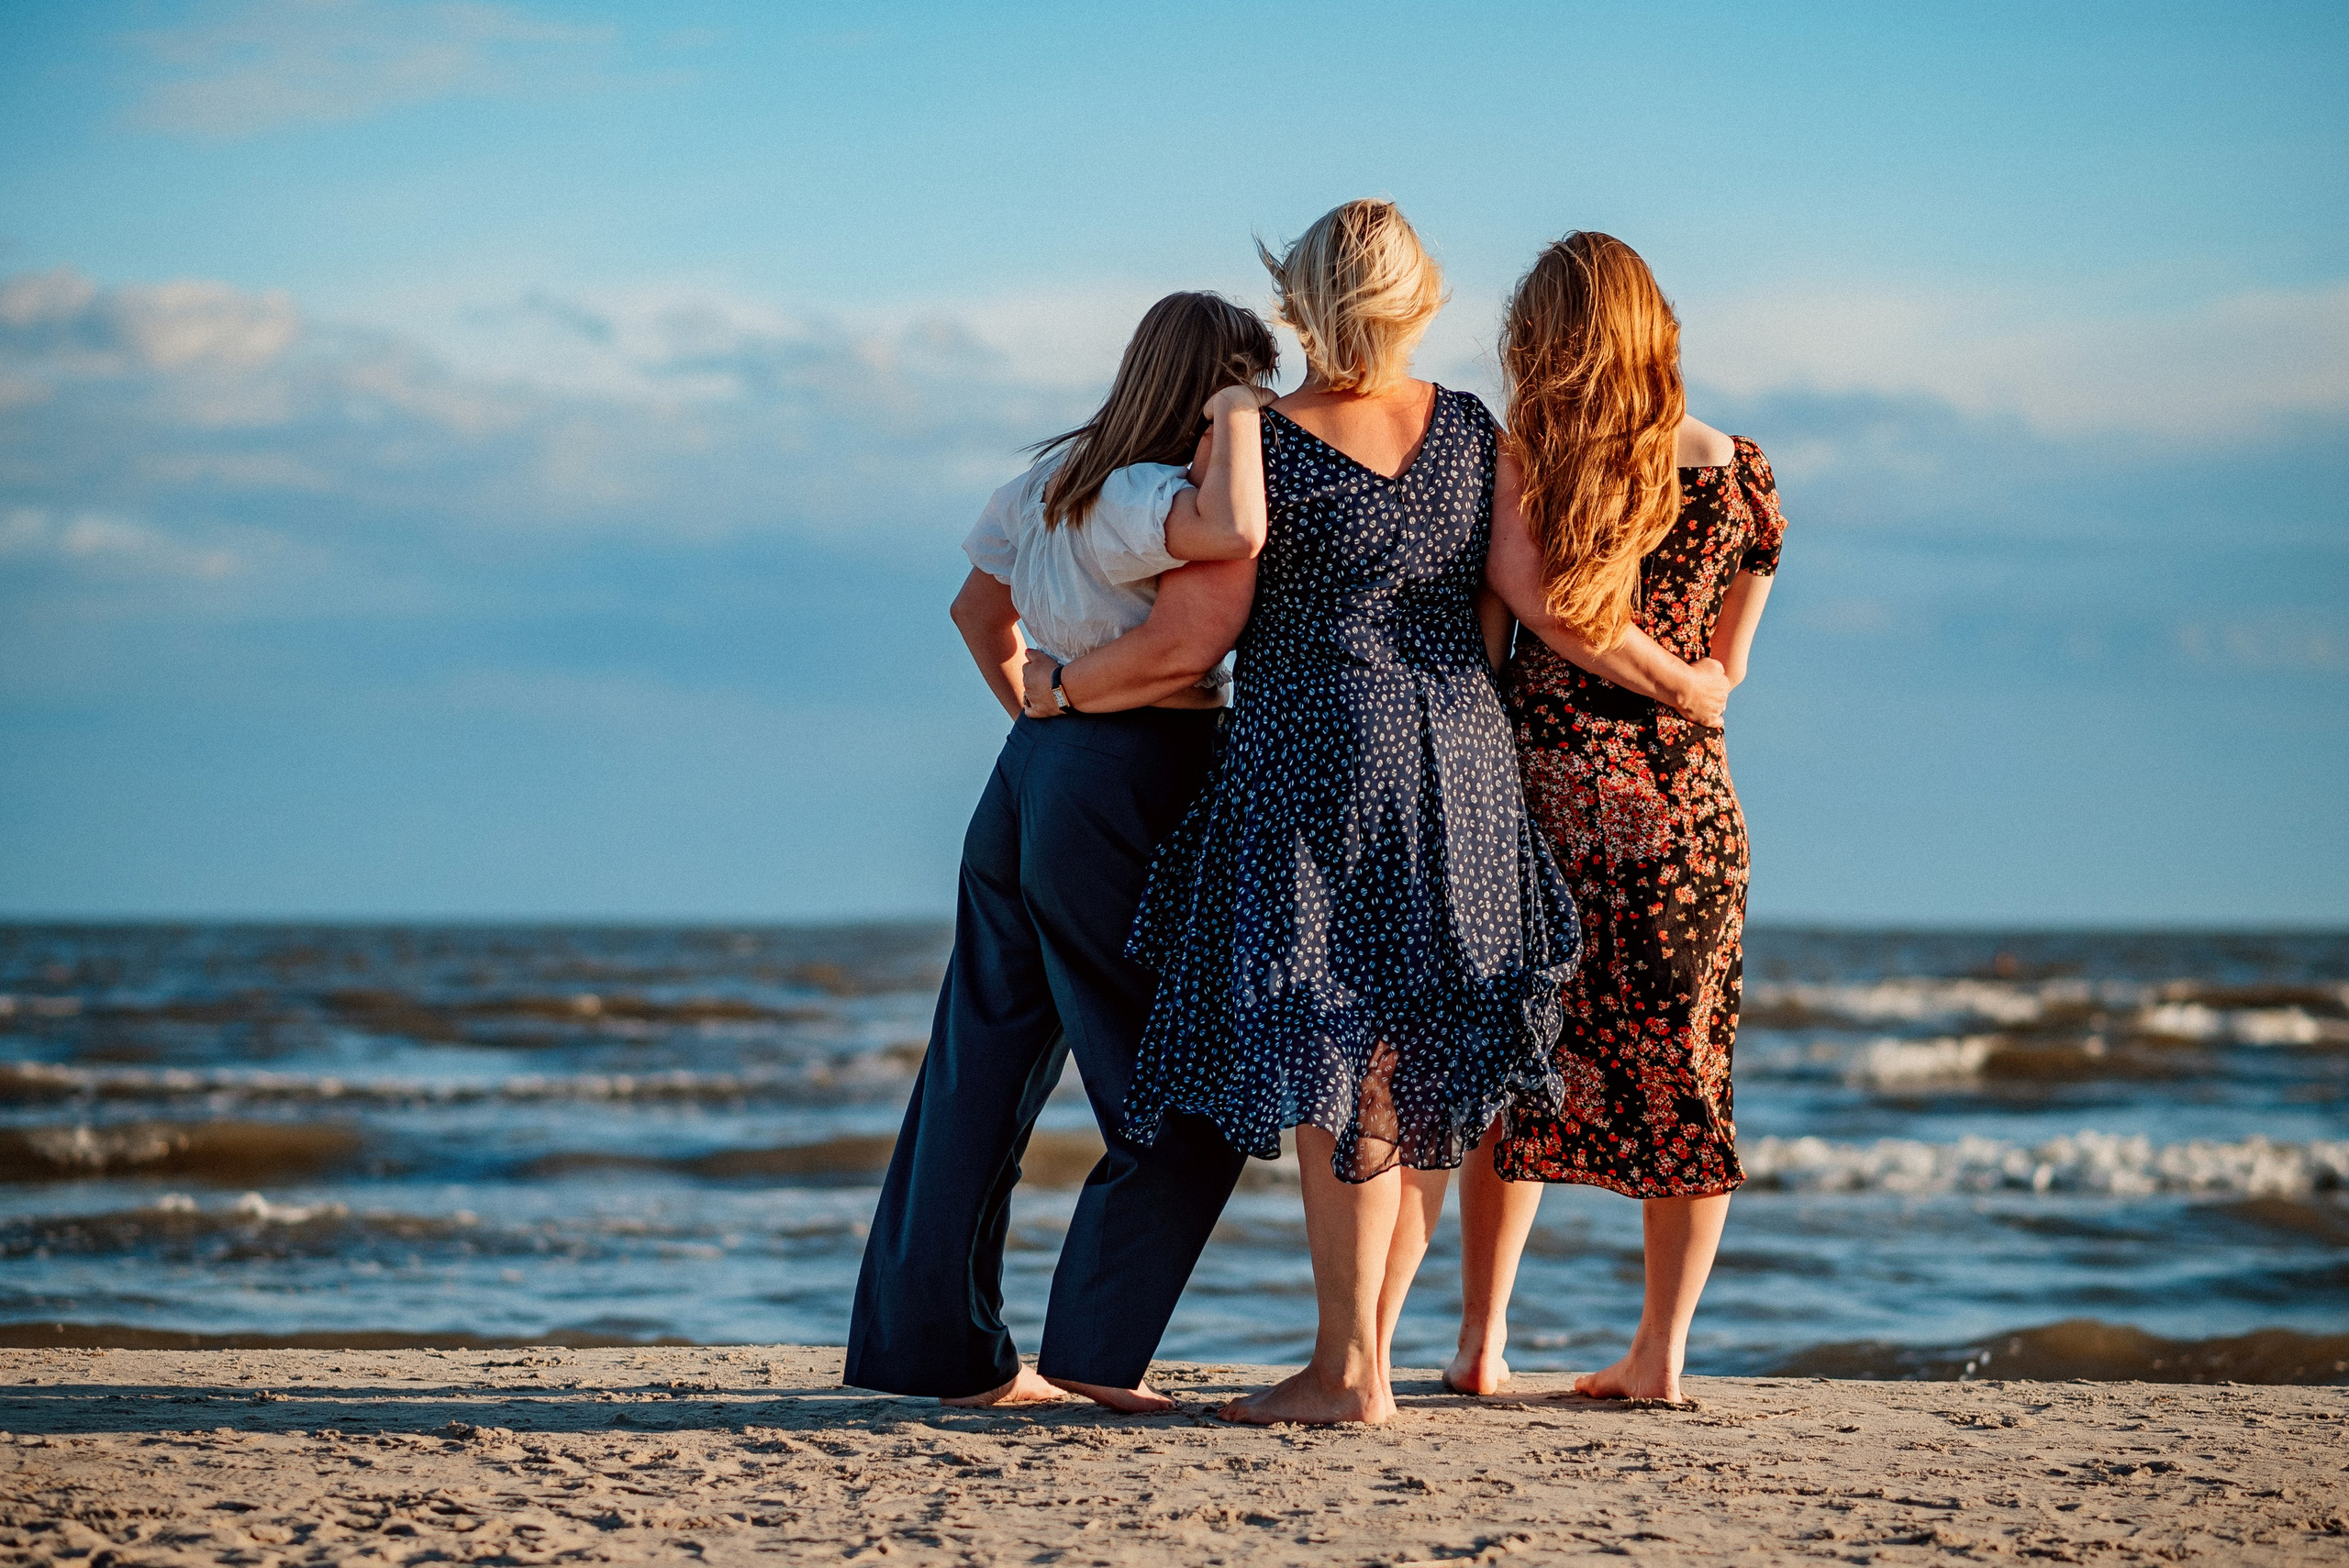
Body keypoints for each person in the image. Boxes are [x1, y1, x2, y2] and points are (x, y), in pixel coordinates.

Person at [1052, 200, 1579, 1427]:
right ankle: (1369, 1358)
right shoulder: (1469, 428)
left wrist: (1066, 685)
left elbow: (1206, 625)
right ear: (1423, 297)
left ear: (1297, 299)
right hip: (1457, 759)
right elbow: (1521, 605)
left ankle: (1349, 1373)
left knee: (1329, 1062)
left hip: (1312, 755)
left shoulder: (1260, 439)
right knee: (1410, 1066)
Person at [843, 292, 1278, 1412]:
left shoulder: (1054, 479)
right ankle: (1094, 1346)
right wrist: (1236, 419)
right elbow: (1232, 531)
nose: (1265, 409)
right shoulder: (1144, 492)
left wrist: (1035, 720)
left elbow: (974, 613)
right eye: (1249, 384)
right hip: (1130, 769)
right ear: (1211, 383)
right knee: (1182, 1091)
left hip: (1033, 776)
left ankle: (930, 1349)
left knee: (977, 1066)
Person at [1455, 230, 1785, 1405]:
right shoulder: (1741, 470)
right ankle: (1660, 1353)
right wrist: (1690, 687)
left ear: (1542, 340)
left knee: (1516, 1065)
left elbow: (1534, 619)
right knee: (1687, 1066)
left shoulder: (1528, 462)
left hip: (1543, 794)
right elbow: (1728, 668)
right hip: (1688, 812)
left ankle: (1483, 1342)